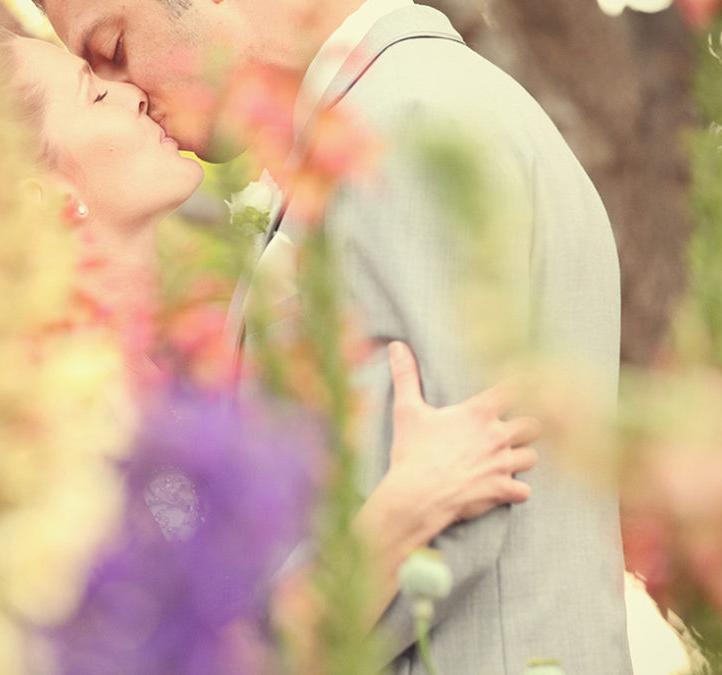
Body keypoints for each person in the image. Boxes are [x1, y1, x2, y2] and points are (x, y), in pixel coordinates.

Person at [0, 33, 541, 649]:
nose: (133, 94)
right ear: (38, 192)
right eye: (95, 92)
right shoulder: (43, 418)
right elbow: (228, 655)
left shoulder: (123, 369)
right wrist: (411, 506)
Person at [35, 0, 632, 672]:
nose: (124, 90)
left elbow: (459, 514)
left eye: (113, 45)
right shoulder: (393, 117)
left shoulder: (405, 125)